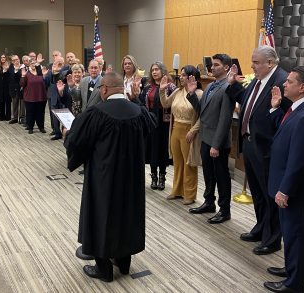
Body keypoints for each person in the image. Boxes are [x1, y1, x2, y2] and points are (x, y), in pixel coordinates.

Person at [63, 72, 155, 283]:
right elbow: (150, 127)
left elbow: (78, 143)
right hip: (131, 179)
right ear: (122, 89)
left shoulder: (96, 112)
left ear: (103, 89)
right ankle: (123, 263)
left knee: (101, 214)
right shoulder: (138, 112)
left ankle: (103, 269)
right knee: (126, 214)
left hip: (103, 178)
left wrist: (68, 135)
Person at [226, 45, 291, 255]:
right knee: (258, 193)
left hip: (268, 149)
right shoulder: (258, 79)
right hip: (251, 144)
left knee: (269, 195)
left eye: (256, 62)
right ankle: (261, 228)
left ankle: (272, 239)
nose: (251, 66)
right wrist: (233, 85)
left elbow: (287, 119)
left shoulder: (282, 81)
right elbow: (248, 101)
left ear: (269, 63)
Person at [263, 66, 304, 293]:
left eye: (289, 81)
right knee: (289, 232)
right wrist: (276, 109)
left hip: (295, 189)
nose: (284, 84)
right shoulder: (299, 109)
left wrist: (285, 189)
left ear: (302, 87)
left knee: (296, 235)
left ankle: (294, 284)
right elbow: (286, 133)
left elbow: (300, 159)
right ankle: (291, 269)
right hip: (287, 184)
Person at [186, 54, 235, 224]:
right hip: (205, 138)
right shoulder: (211, 86)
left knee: (221, 176)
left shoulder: (227, 87)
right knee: (208, 173)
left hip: (218, 142)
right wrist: (192, 94)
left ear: (226, 67)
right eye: (212, 65)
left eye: (216, 65)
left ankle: (224, 210)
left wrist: (216, 145)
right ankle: (209, 202)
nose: (211, 68)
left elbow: (225, 120)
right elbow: (202, 111)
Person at [160, 65, 202, 205]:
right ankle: (177, 191)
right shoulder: (178, 91)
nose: (180, 77)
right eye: (181, 75)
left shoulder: (199, 93)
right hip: (175, 128)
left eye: (183, 75)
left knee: (189, 163)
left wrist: (193, 130)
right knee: (177, 163)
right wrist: (162, 90)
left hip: (188, 130)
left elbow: (203, 116)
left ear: (192, 77)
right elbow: (165, 103)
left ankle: (190, 194)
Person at [138, 61, 176, 190]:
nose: (154, 72)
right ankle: (153, 176)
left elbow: (174, 105)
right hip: (151, 122)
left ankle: (162, 177)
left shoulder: (171, 87)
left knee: (162, 149)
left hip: (165, 123)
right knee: (152, 148)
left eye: (157, 69)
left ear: (163, 71)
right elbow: (142, 104)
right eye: (152, 70)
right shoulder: (148, 87)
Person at [19, 59, 50, 134]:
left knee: (40, 112)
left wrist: (45, 75)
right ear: (29, 65)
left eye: (34, 63)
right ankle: (30, 127)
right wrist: (22, 76)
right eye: (31, 63)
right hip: (30, 97)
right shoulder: (27, 74)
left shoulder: (41, 73)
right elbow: (22, 84)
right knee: (30, 112)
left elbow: (46, 83)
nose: (33, 65)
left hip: (41, 96)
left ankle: (41, 127)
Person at [48, 56, 67, 140]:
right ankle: (57, 132)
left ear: (63, 62)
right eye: (57, 62)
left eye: (60, 62)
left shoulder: (67, 69)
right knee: (55, 117)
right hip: (54, 96)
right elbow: (50, 82)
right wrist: (54, 72)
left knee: (64, 116)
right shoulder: (51, 71)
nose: (59, 64)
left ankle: (65, 133)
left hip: (63, 96)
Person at [9, 55, 25, 124]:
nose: (16, 61)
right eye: (14, 60)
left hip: (21, 87)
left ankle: (22, 118)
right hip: (13, 88)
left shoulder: (23, 67)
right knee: (14, 103)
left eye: (17, 59)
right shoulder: (10, 67)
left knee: (22, 104)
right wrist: (15, 70)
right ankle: (15, 118)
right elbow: (11, 77)